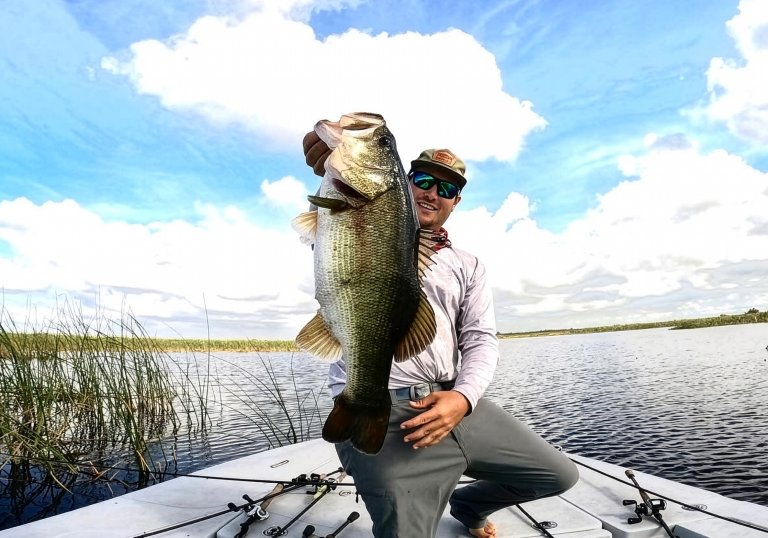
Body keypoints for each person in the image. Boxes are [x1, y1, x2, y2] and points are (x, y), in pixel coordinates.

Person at [302, 130, 579, 538]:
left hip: (454, 401)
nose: (433, 193)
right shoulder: (360, 225)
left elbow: (482, 339)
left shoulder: (468, 264)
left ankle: (468, 504)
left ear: (456, 201)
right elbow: (331, 228)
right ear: (404, 183)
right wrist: (329, 167)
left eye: (446, 188)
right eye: (424, 181)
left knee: (558, 475)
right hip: (386, 411)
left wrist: (463, 398)